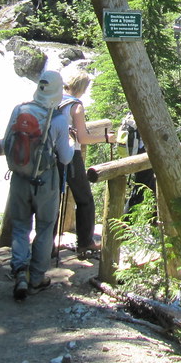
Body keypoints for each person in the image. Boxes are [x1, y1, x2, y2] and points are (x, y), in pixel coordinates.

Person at [5, 70, 74, 301]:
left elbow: (6, 143)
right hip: (46, 181)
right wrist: (71, 144)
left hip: (18, 178)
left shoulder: (19, 109)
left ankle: (19, 273)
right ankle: (36, 278)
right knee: (45, 227)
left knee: (20, 226)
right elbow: (64, 158)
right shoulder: (58, 119)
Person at [57, 70, 105, 259]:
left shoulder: (54, 100)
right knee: (84, 198)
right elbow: (83, 137)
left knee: (52, 200)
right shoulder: (75, 106)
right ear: (82, 87)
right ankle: (85, 242)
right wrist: (105, 138)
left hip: (50, 155)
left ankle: (45, 244)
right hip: (70, 155)